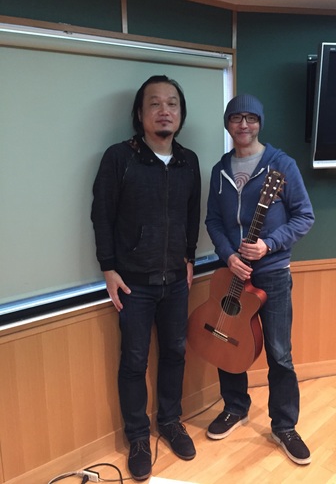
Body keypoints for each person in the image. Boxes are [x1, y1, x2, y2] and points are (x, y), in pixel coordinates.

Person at [91, 75, 201, 481]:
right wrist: (108, 268)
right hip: (133, 284)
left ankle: (170, 421)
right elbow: (101, 215)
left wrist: (189, 256)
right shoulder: (120, 157)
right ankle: (138, 436)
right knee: (134, 361)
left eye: (172, 103)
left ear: (181, 113)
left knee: (175, 353)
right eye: (154, 103)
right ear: (140, 114)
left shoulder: (188, 161)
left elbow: (192, 213)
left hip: (175, 281)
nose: (164, 110)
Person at [205, 94, 314, 465]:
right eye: (236, 118)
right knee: (226, 340)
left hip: (273, 275)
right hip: (233, 273)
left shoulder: (281, 165)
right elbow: (213, 221)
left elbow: (304, 216)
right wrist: (229, 256)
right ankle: (235, 407)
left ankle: (284, 425)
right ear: (228, 123)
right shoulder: (220, 169)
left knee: (279, 353)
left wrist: (269, 244)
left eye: (251, 118)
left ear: (260, 123)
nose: (244, 125)